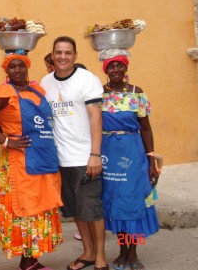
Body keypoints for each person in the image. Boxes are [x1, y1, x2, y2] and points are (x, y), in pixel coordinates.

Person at [0, 50, 63, 270]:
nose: (17, 70)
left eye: (21, 65)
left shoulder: (36, 90)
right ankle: (26, 261)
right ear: (6, 70)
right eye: (12, 67)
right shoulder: (5, 92)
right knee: (25, 208)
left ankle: (33, 257)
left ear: (27, 67)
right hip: (20, 162)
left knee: (39, 208)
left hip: (43, 158)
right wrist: (5, 142)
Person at [41, 36, 108, 270]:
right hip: (60, 159)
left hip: (85, 157)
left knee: (92, 208)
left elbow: (95, 117)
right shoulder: (46, 82)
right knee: (75, 210)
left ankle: (100, 256)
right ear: (52, 55)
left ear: (75, 56)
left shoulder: (87, 79)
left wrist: (95, 154)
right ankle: (87, 252)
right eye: (58, 52)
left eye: (68, 53)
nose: (62, 57)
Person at [98, 49, 160, 270]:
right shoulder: (99, 93)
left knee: (133, 201)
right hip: (108, 155)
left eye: (119, 65)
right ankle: (122, 251)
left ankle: (133, 253)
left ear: (126, 67)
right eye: (111, 66)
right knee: (115, 203)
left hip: (133, 153)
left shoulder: (137, 93)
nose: (116, 69)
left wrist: (152, 160)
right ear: (105, 69)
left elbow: (146, 129)